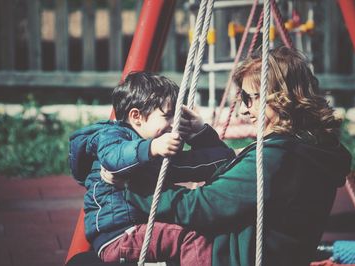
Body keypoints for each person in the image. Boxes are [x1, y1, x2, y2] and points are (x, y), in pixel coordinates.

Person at [125, 47, 352, 266]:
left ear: (277, 97)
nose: (244, 109)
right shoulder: (311, 149)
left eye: (248, 97)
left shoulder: (278, 158)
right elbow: (235, 183)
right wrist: (201, 135)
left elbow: (200, 208)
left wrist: (131, 185)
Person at [69, 72, 235, 265]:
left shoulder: (158, 153)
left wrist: (200, 133)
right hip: (118, 235)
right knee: (190, 238)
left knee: (196, 230)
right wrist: (151, 148)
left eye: (178, 116)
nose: (175, 123)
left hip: (142, 230)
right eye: (168, 116)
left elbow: (206, 164)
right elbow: (113, 159)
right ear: (136, 116)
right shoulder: (111, 136)